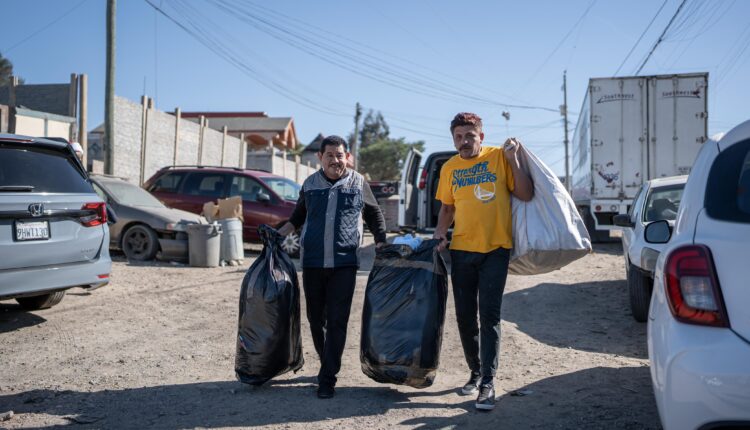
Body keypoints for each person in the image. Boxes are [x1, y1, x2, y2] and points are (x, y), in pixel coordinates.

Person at [433, 112, 533, 411]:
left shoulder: (499, 157)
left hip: (495, 250)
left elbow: (525, 194)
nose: (464, 141)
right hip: (462, 250)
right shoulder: (450, 168)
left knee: (489, 316)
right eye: (458, 137)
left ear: (481, 136)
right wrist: (440, 233)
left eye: (469, 136)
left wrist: (514, 159)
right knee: (465, 317)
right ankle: (475, 372)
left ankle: (488, 381)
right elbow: (447, 209)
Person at [278, 135, 387, 399]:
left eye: (340, 155)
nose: (335, 160)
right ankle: (327, 361)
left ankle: (328, 377)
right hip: (313, 262)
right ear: (320, 157)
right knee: (316, 320)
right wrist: (277, 236)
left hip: (345, 263)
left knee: (338, 321)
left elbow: (374, 214)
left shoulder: (358, 182)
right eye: (330, 155)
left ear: (346, 156)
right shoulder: (310, 184)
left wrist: (382, 242)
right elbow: (297, 217)